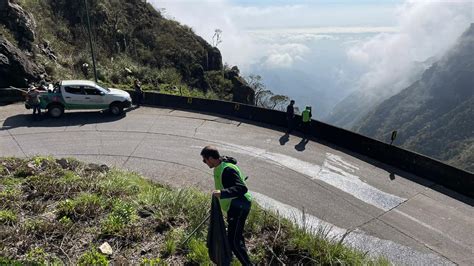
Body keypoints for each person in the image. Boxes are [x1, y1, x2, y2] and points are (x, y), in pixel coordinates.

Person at [201, 146, 253, 266]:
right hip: (233, 206)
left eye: (205, 160)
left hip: (239, 206)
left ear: (211, 158)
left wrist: (223, 193)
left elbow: (242, 188)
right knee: (236, 238)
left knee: (234, 242)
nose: (204, 163)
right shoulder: (219, 166)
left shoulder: (227, 170)